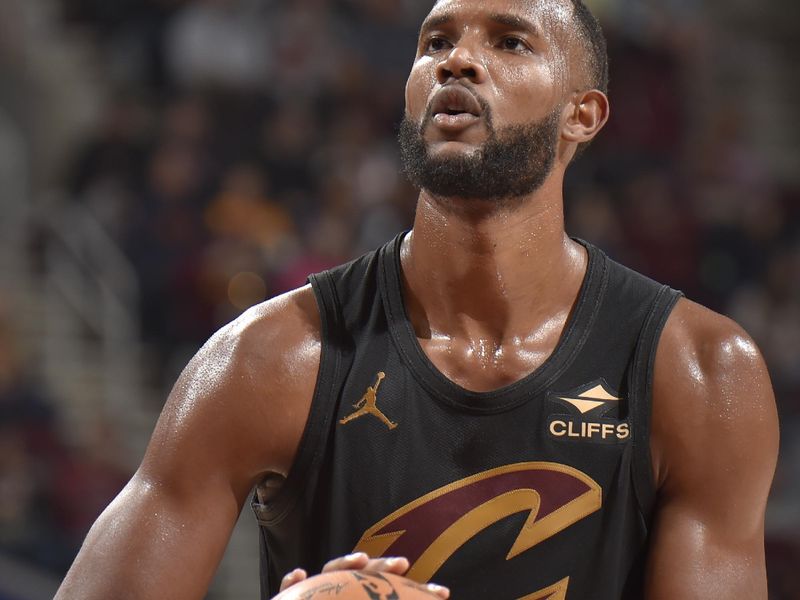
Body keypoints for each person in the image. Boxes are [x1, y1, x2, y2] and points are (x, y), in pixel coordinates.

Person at [55, 0, 779, 598]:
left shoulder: (701, 372)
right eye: (435, 40)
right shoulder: (271, 359)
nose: (455, 60)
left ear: (582, 116)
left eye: (509, 42)